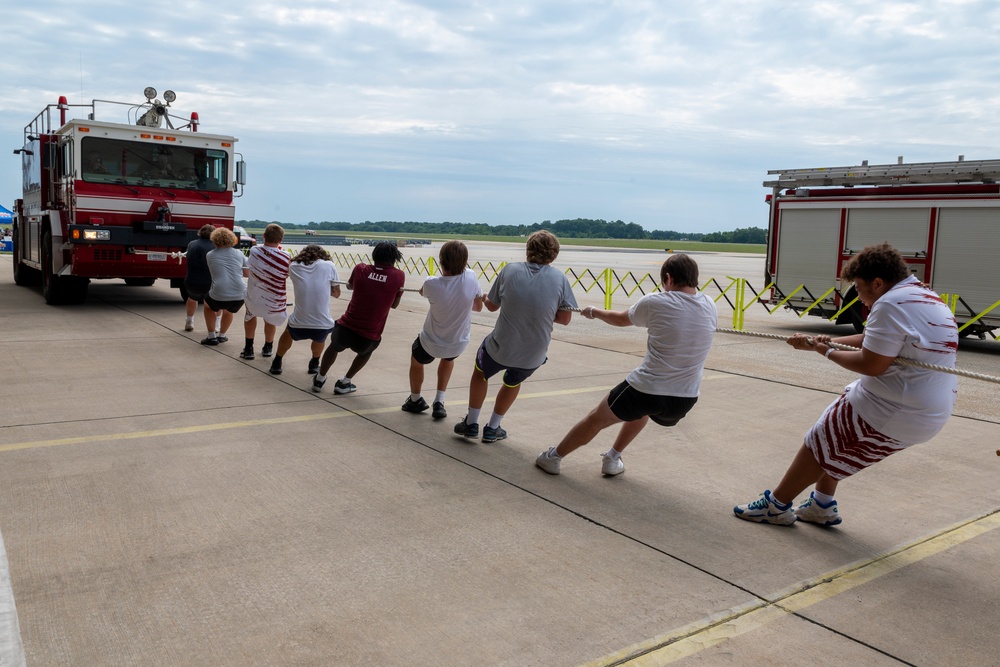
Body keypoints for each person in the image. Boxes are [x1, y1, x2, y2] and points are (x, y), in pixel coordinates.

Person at [734, 242, 959, 527]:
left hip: (893, 406)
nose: (860, 298)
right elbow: (874, 341)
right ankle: (821, 505)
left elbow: (871, 364)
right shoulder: (923, 295)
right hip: (929, 411)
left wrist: (824, 351)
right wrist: (823, 341)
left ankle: (775, 506)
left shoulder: (889, 303)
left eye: (860, 289)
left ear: (878, 283)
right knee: (842, 446)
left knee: (821, 440)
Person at [535, 254, 717, 476]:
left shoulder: (656, 301)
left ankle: (553, 458)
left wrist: (594, 312)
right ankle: (612, 458)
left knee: (596, 419)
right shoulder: (710, 304)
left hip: (647, 390)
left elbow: (621, 319)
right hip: (684, 399)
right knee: (641, 412)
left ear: (668, 278)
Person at [454, 230, 577, 443]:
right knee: (512, 382)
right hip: (533, 355)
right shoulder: (560, 278)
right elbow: (565, 318)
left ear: (528, 250)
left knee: (480, 372)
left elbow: (492, 307)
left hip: (500, 348)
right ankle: (493, 428)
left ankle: (471, 423)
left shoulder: (510, 270)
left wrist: (487, 298)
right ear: (553, 255)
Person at [401, 240, 483, 420]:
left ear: (441, 261)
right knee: (448, 359)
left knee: (416, 360)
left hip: (430, 342)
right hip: (458, 343)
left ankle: (415, 399)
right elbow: (478, 307)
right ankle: (439, 401)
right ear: (465, 261)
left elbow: (423, 292)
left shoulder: (431, 283)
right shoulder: (471, 276)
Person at [312, 241, 406, 394]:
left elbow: (350, 286)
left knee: (334, 347)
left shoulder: (361, 268)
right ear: (394, 258)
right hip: (370, 333)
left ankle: (320, 378)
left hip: (346, 326)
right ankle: (345, 381)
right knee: (365, 353)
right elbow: (394, 305)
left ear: (374, 256)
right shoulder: (398, 275)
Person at [268, 245, 342, 375]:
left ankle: (277, 362)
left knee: (288, 332)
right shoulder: (329, 265)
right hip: (322, 322)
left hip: (299, 321)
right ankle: (314, 363)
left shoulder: (294, 266)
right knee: (320, 338)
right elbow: (336, 293)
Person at [240, 224, 291, 360]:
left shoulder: (255, 251)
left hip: (255, 296)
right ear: (281, 239)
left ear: (264, 236)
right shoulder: (286, 256)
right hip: (274, 299)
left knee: (250, 316)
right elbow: (286, 274)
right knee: (270, 320)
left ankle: (249, 348)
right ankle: (268, 347)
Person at [201, 227, 248, 346]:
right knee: (229, 310)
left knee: (208, 306)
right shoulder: (239, 253)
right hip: (240, 292)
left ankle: (212, 336)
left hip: (219, 291)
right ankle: (222, 335)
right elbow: (247, 273)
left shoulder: (210, 255)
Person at [183, 224, 216, 332]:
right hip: (209, 282)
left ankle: (189, 321)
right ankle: (217, 325)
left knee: (192, 299)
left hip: (192, 281)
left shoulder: (191, 244)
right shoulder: (215, 246)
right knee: (216, 303)